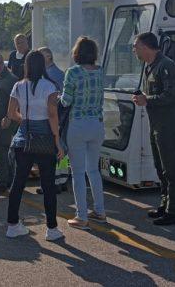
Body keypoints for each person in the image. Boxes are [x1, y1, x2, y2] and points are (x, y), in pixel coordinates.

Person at [4, 51, 65, 241]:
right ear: (43, 66)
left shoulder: (18, 85)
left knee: (18, 183)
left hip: (23, 139)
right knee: (48, 185)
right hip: (45, 139)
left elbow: (11, 113)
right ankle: (52, 229)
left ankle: (12, 225)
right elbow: (53, 115)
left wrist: (26, 121)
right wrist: (57, 140)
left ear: (27, 66)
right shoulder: (50, 86)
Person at [131, 32, 175, 225]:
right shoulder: (150, 66)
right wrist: (143, 97)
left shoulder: (166, 66)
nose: (133, 49)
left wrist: (147, 99)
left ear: (145, 47)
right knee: (160, 168)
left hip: (168, 125)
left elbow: (172, 95)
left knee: (171, 169)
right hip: (157, 124)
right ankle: (165, 204)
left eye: (135, 46)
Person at [60, 37, 106, 229]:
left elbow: (65, 102)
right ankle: (100, 211)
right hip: (97, 123)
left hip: (77, 124)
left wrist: (57, 96)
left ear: (77, 53)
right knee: (93, 170)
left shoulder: (72, 72)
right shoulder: (100, 71)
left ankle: (81, 216)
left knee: (78, 173)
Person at [0, 52, 19, 194]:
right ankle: (9, 181)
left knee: (0, 150)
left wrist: (8, 117)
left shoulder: (11, 79)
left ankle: (3, 183)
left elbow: (16, 101)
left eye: (0, 63)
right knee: (5, 151)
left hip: (7, 121)